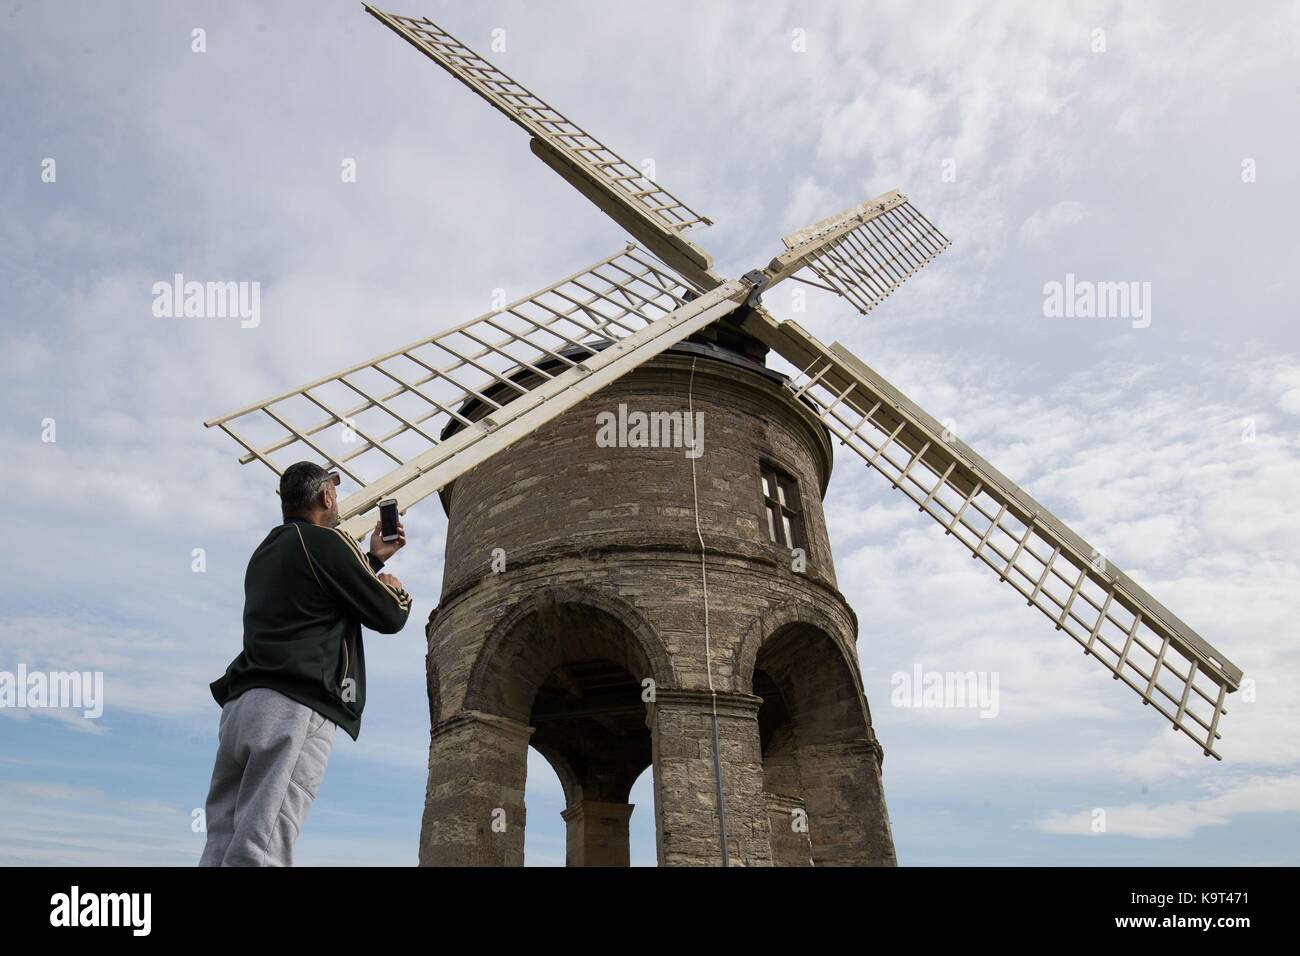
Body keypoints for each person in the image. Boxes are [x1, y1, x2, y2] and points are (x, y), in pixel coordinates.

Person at [199, 461, 412, 866]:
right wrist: (395, 590)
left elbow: (326, 592)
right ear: (326, 496)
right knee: (263, 846)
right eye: (335, 492)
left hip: (242, 707)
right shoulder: (328, 542)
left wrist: (372, 560)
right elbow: (388, 615)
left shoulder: (267, 550)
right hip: (292, 706)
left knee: (223, 843)